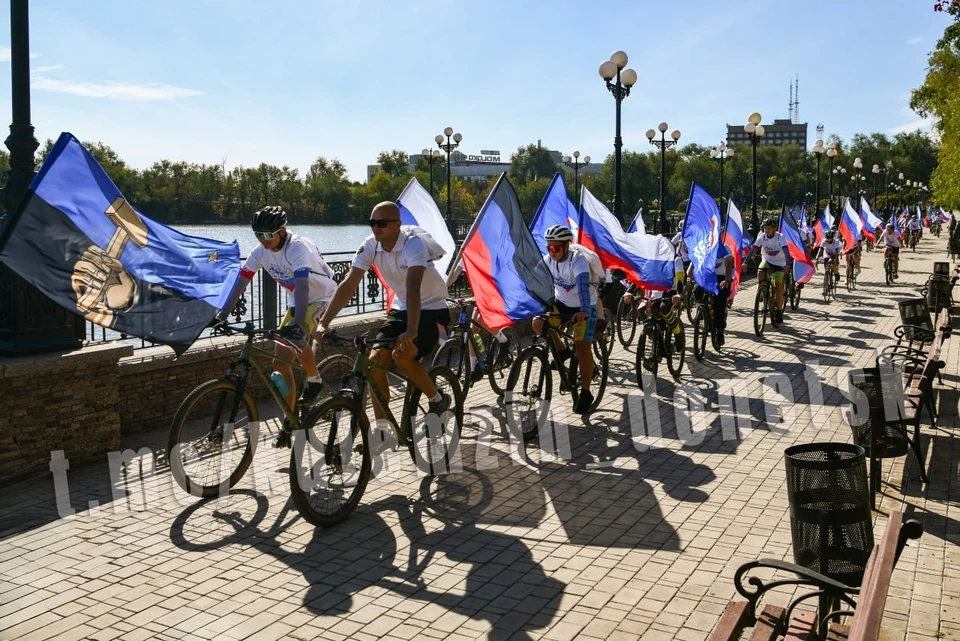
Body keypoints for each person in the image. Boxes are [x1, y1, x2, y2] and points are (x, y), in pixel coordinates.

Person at [317, 201, 452, 437]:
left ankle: (437, 398)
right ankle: (382, 429)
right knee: (375, 360)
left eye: (382, 223)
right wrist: (323, 323)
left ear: (397, 224)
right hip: (402, 308)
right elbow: (349, 284)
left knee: (403, 356)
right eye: (372, 222)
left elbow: (413, 287)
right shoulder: (370, 245)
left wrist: (411, 331)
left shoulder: (413, 244)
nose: (376, 228)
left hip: (432, 308)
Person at [214, 205, 338, 448]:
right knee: (280, 362)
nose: (263, 240)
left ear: (282, 231)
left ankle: (315, 379)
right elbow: (241, 282)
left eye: (268, 235)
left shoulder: (297, 247)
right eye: (258, 235)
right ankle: (289, 421)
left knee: (297, 336)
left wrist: (299, 322)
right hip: (297, 301)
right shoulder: (260, 252)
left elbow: (303, 286)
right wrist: (222, 314)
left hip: (321, 297)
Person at [532, 224, 597, 414]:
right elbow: (535, 281)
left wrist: (584, 310)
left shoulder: (578, 261)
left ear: (566, 246)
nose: (552, 252)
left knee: (582, 345)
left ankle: (586, 392)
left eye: (556, 248)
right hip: (562, 302)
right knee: (538, 323)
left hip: (585, 305)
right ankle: (562, 350)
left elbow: (583, 286)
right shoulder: (548, 260)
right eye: (549, 247)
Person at [743, 218, 792, 324]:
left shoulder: (780, 237)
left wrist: (787, 264)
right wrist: (745, 262)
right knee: (760, 271)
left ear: (774, 229)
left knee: (778, 288)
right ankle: (763, 289)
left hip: (779, 263)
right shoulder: (762, 237)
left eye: (769, 228)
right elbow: (753, 249)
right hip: (767, 260)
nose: (767, 230)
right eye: (765, 228)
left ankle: (778, 311)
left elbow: (786, 252)